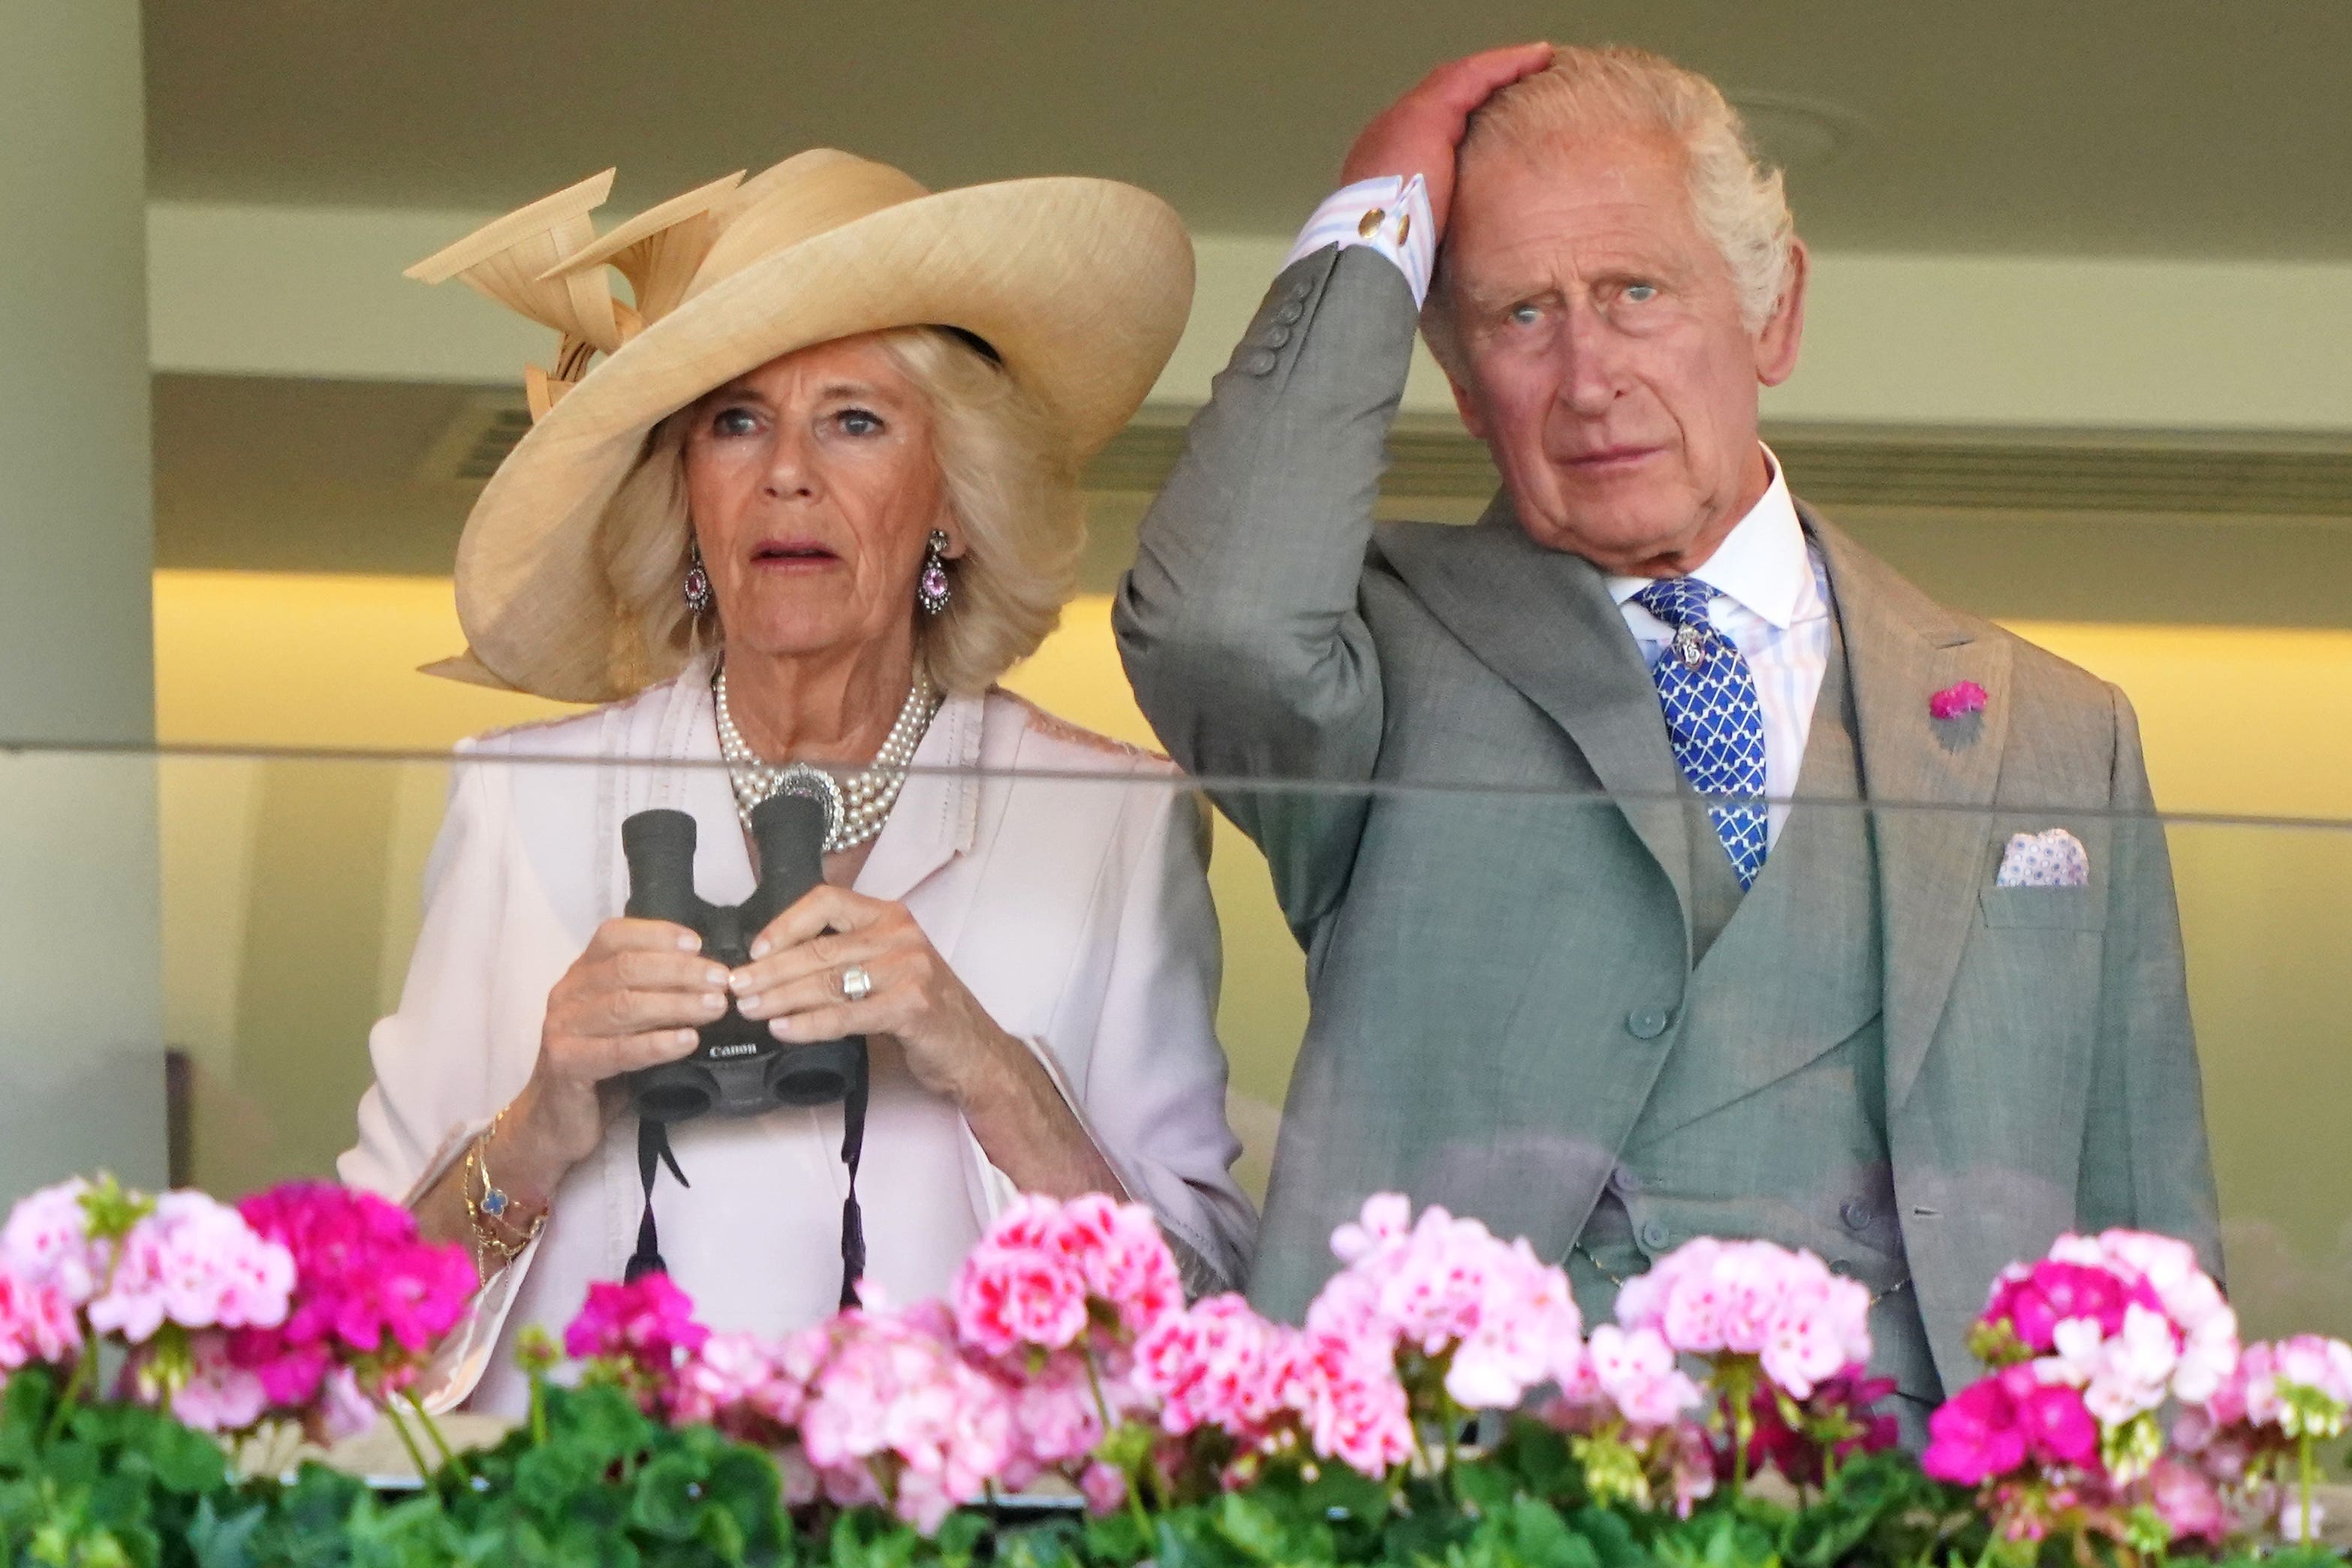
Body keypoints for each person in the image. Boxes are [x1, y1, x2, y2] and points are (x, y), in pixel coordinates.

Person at [1116, 44, 2218, 1426]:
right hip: (1479, 1496)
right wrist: (1374, 218)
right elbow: (1210, 626)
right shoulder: (1379, 662)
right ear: (1463, 389)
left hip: (1915, 1498)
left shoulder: (2055, 734)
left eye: (1636, 292)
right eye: (1521, 315)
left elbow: (2145, 1245)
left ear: (1773, 314)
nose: (1588, 377)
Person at [342, 149, 1255, 1413]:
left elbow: (1207, 1327)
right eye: (734, 421)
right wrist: (539, 1122)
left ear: (952, 500)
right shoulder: (523, 795)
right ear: (687, 496)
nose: (785, 470)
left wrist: (988, 1066)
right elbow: (345, 1329)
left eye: (855, 419)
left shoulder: (1106, 817)